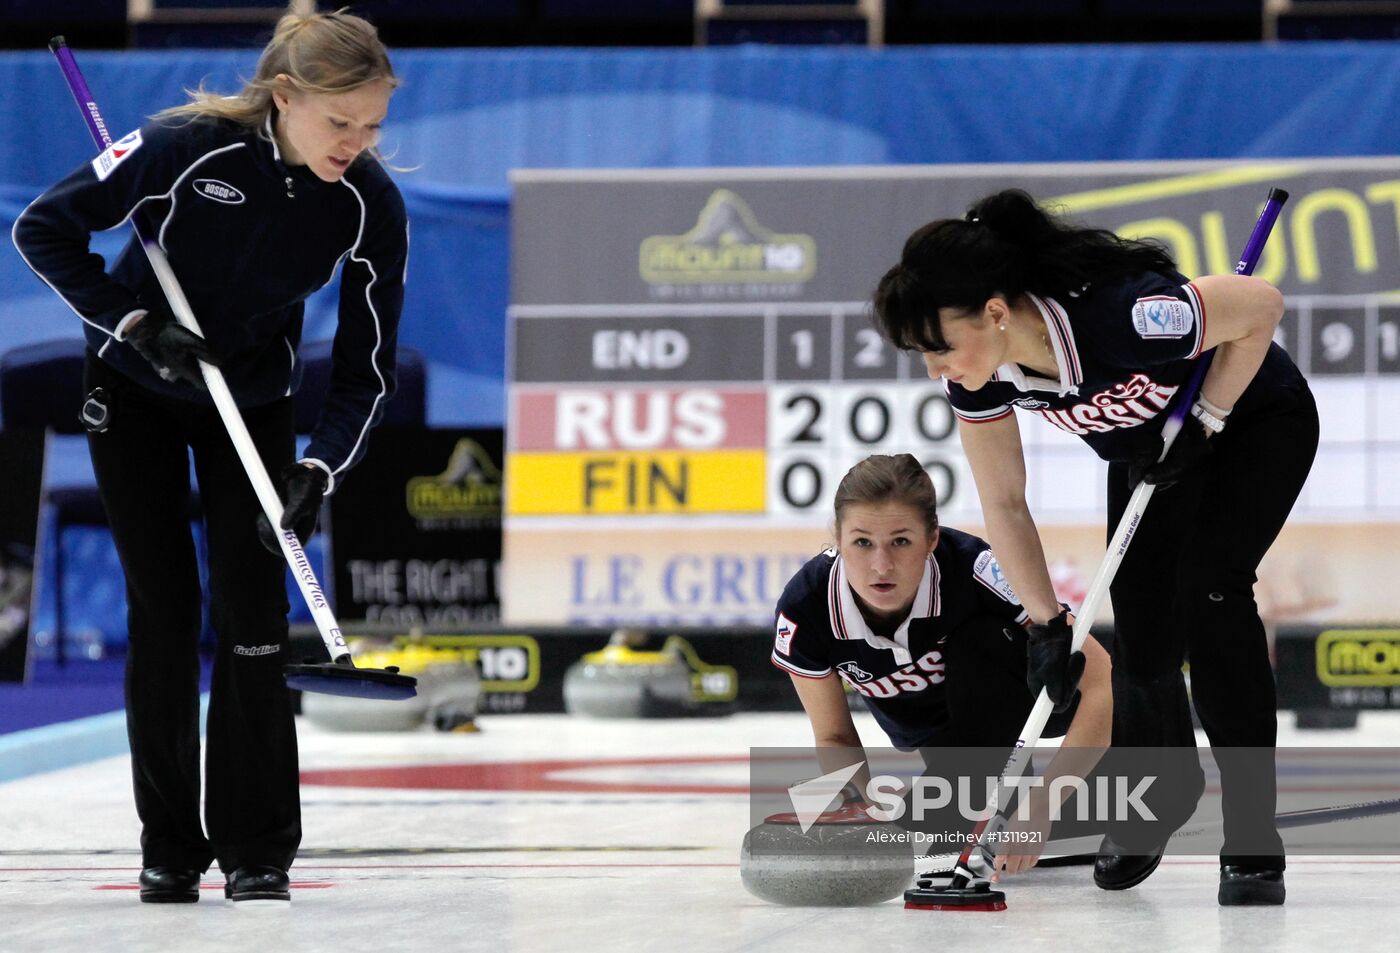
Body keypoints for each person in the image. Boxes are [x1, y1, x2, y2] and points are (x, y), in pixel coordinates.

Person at [12, 9, 407, 904]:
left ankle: (258, 849)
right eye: (341, 122)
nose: (359, 142)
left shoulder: (368, 203)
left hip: (252, 401)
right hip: (137, 390)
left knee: (254, 615)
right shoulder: (179, 145)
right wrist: (136, 322)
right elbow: (44, 229)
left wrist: (319, 468)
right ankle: (170, 850)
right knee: (163, 613)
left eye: (374, 123)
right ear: (285, 96)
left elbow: (366, 368)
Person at [871, 189, 1317, 905]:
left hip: (1254, 420)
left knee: (1209, 591)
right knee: (1141, 624)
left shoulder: (1122, 315)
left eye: (939, 347)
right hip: (1151, 451)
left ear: (992, 311)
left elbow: (1260, 306)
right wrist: (1045, 621)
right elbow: (1005, 503)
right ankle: (1162, 791)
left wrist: (1205, 418)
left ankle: (1253, 834)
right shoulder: (982, 376)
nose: (934, 370)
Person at [771, 453, 1112, 877]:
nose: (881, 565)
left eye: (901, 541)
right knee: (915, 817)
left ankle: (1000, 806)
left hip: (1026, 707)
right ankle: (1005, 807)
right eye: (862, 542)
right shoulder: (806, 607)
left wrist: (1042, 806)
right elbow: (835, 733)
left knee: (979, 640)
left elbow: (1100, 678)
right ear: (837, 538)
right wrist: (861, 804)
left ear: (931, 538)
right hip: (942, 745)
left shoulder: (975, 567)